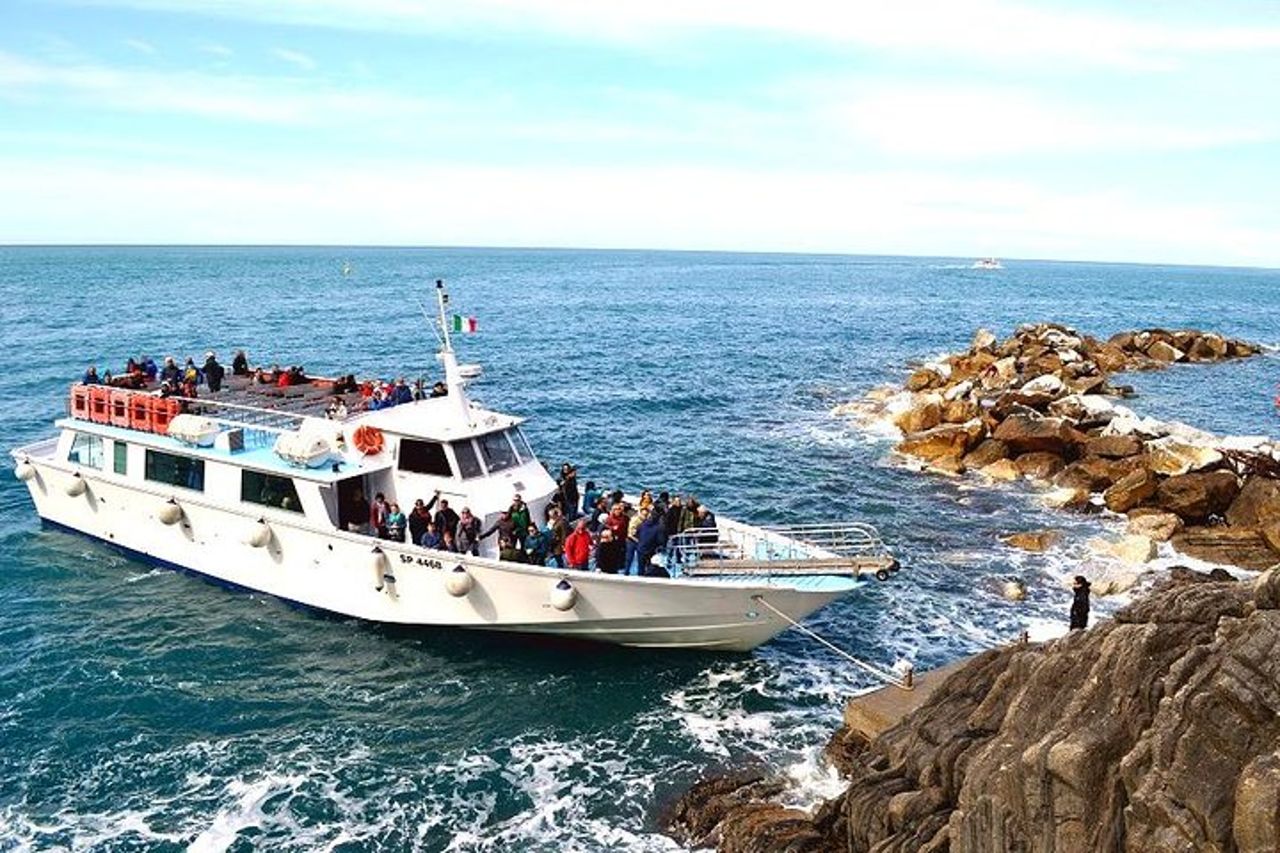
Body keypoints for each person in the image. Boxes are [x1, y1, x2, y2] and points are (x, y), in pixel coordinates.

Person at [635, 510, 665, 576]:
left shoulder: (642, 524)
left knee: (640, 568)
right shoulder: (658, 527)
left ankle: (640, 579)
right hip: (650, 549)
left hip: (641, 548)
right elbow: (660, 540)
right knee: (650, 568)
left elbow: (636, 534)